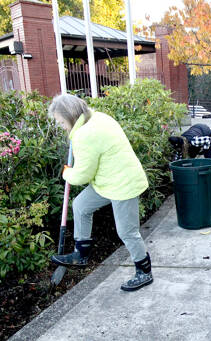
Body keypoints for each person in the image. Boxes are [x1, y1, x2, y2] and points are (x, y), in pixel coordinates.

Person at [48, 94, 153, 292]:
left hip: (123, 183)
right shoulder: (96, 117)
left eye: (61, 122)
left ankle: (144, 271)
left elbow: (82, 175)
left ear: (70, 116)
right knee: (80, 205)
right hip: (107, 180)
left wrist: (66, 172)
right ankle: (81, 254)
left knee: (127, 232)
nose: (61, 126)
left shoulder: (85, 134)